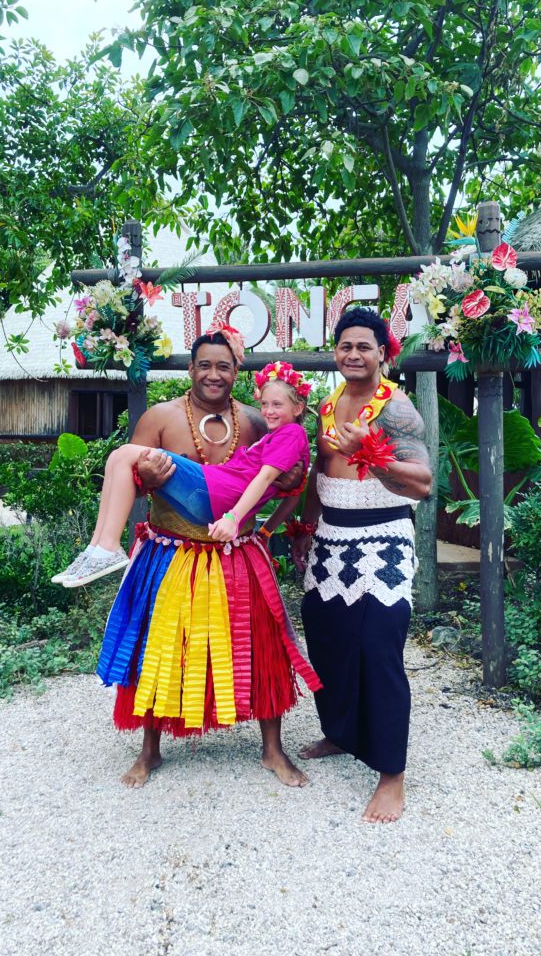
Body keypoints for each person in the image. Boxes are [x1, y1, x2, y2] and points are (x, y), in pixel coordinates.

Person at [92, 322, 321, 788]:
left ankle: (272, 749)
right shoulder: (159, 417)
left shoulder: (261, 421)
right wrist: (151, 480)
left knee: (262, 645)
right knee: (157, 648)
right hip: (169, 552)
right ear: (189, 368)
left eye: (223, 366)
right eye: (203, 365)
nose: (212, 374)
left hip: (239, 551)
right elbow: (128, 485)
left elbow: (292, 478)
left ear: (237, 370)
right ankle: (149, 750)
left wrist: (282, 513)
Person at [292, 306, 432, 824]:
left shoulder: (396, 408)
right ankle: (341, 732)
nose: (354, 355)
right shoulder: (328, 406)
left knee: (378, 649)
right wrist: (305, 529)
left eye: (364, 347)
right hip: (330, 537)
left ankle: (391, 774)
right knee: (327, 641)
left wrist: (372, 455)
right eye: (346, 346)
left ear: (382, 353)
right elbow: (317, 472)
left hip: (382, 537)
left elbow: (422, 482)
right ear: (336, 352)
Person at [54, 363, 312, 587]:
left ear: (298, 407)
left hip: (215, 493)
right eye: (265, 404)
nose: (268, 411)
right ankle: (97, 548)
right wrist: (266, 532)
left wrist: (234, 518)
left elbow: (265, 478)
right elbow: (295, 491)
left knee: (124, 455)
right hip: (212, 495)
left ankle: (108, 546)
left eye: (277, 404)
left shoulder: (292, 434)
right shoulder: (279, 437)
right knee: (118, 456)